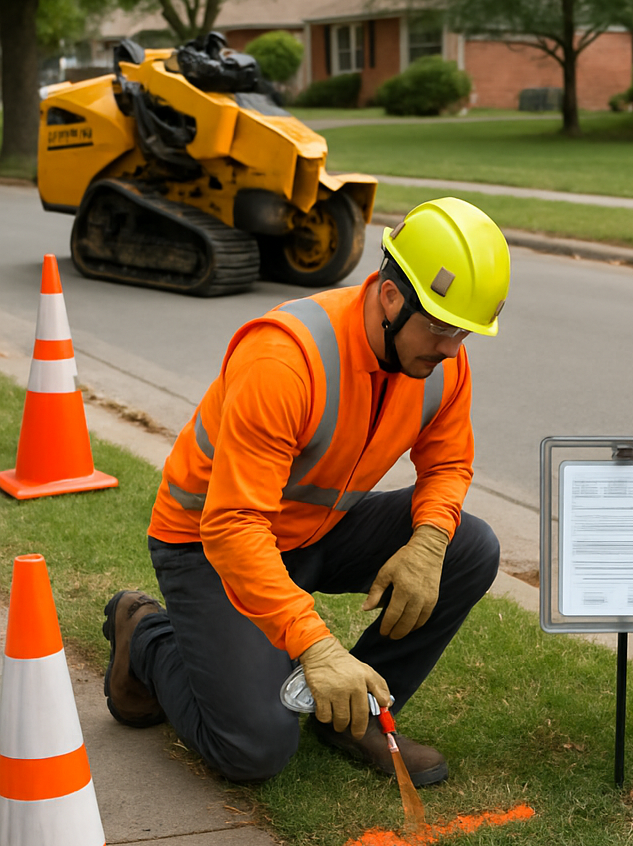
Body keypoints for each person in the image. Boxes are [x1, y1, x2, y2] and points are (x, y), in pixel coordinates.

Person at [102, 197, 511, 787]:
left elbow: (447, 462)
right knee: (253, 749)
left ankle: (354, 714)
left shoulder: (442, 362)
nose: (452, 349)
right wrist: (315, 645)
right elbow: (234, 526)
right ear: (392, 298)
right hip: (210, 545)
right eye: (444, 328)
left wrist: (428, 540)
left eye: (466, 333)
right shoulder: (284, 359)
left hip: (314, 529)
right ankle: (144, 632)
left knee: (469, 546)